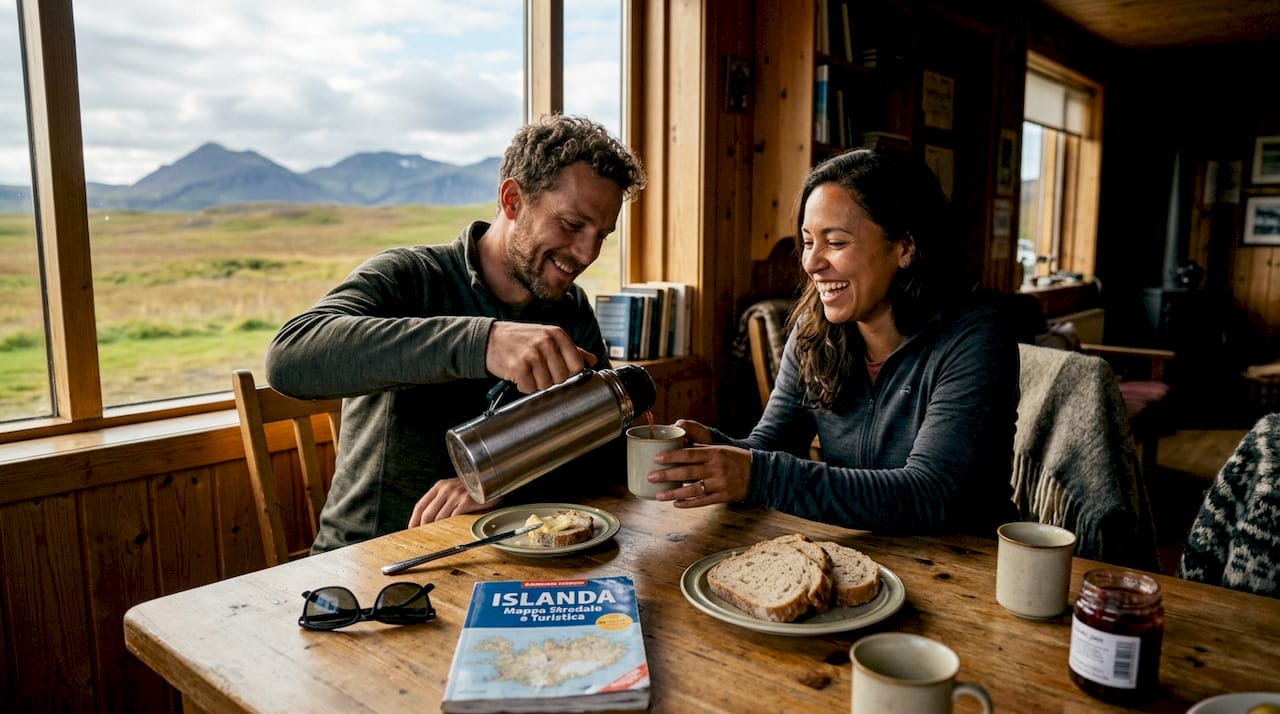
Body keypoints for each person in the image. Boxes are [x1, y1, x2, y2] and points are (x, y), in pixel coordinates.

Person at [265, 114, 646, 552]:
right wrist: (484, 342)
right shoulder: (410, 278)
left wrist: (500, 480)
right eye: (572, 225)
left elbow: (600, 442)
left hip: (511, 556)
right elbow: (290, 356)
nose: (586, 253)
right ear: (512, 200)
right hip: (370, 559)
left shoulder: (569, 308)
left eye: (602, 236)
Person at [651, 147, 1019, 535]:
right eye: (809, 241)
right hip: (866, 552)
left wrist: (757, 475)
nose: (811, 263)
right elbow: (775, 444)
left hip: (971, 569)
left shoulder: (977, 339)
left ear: (906, 247)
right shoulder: (813, 331)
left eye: (836, 242)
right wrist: (714, 448)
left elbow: (928, 493)